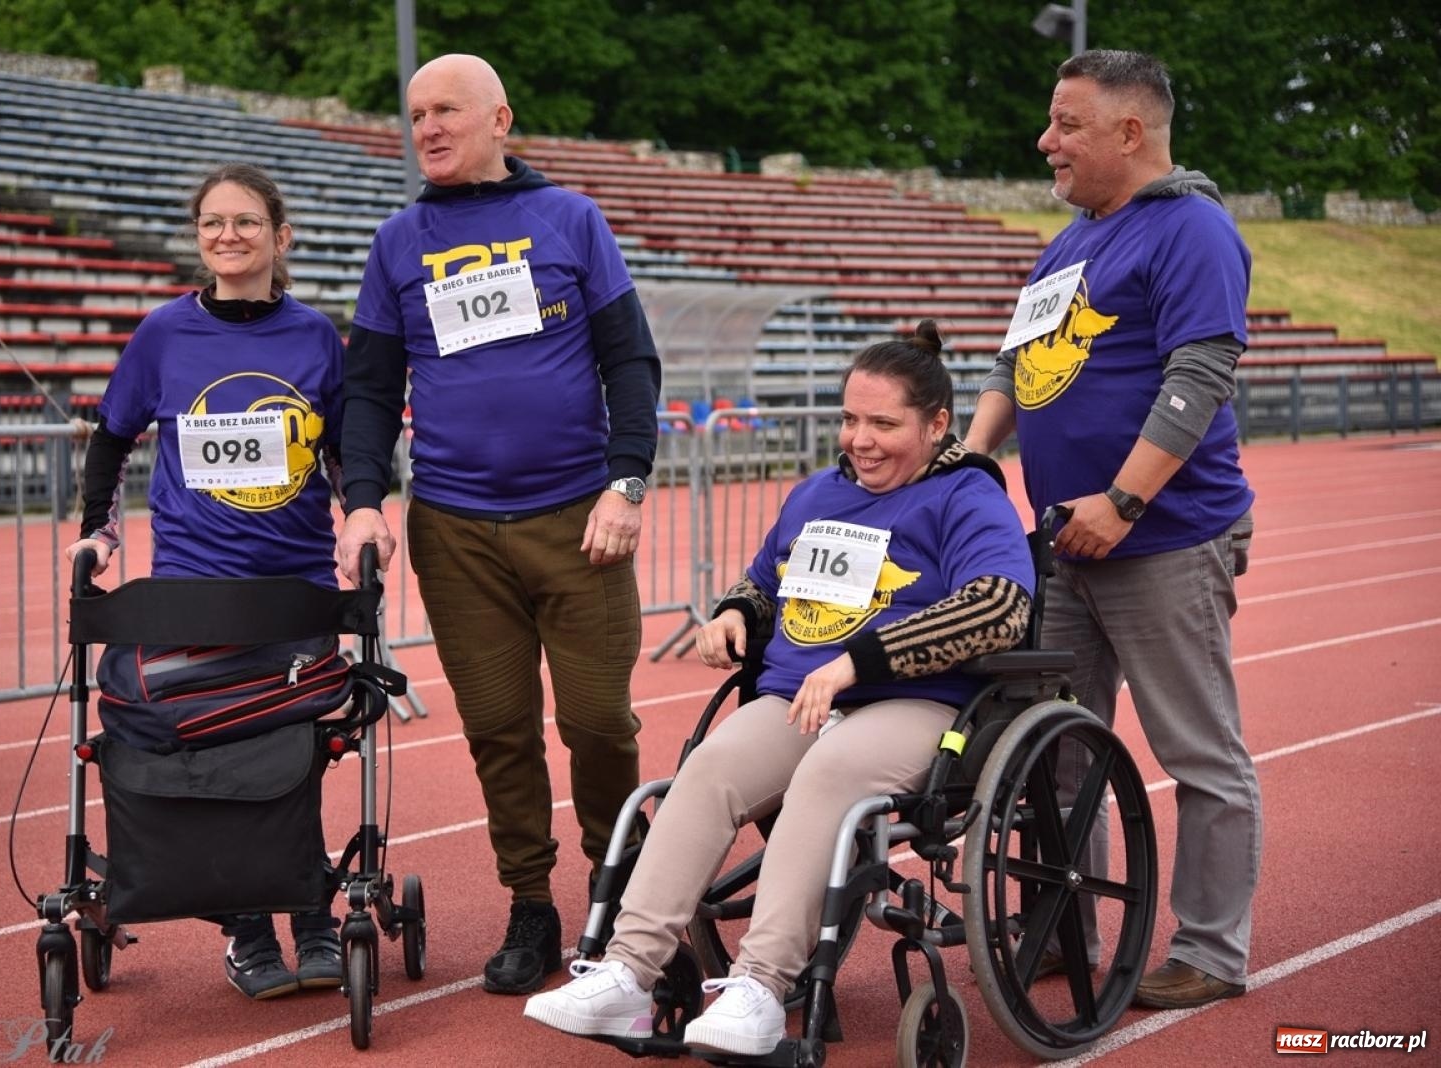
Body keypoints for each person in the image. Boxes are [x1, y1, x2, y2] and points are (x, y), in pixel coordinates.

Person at [524, 327, 1036, 1057]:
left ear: (937, 425)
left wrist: (862, 659)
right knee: (709, 767)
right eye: (850, 420)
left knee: (827, 775)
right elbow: (765, 582)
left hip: (916, 703)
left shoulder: (966, 495)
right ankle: (625, 973)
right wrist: (734, 611)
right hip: (802, 698)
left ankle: (760, 988)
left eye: (884, 425)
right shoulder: (817, 494)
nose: (860, 440)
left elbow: (999, 607)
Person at [334, 54, 661, 994]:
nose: (427, 127)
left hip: (578, 519)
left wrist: (626, 484)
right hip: (456, 531)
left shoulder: (570, 219)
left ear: (500, 119)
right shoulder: (398, 241)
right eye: (415, 114)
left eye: (446, 111)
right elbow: (369, 390)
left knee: (599, 720)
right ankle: (531, 901)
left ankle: (618, 878)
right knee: (499, 731)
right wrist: (365, 501)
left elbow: (629, 362)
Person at [962, 49, 1263, 1010]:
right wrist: (969, 461)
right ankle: (1063, 924)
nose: (1046, 141)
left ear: (1130, 132)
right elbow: (1016, 366)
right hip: (1061, 544)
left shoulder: (1193, 230)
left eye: (1068, 124)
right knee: (1053, 751)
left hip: (1161, 541)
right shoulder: (1069, 241)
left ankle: (1213, 951)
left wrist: (1123, 500)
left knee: (1199, 755)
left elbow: (1199, 377)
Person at [64, 163, 346, 1001]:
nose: (229, 236)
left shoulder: (317, 338)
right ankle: (250, 928)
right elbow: (112, 439)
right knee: (220, 748)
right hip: (193, 589)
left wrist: (367, 512)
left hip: (296, 585)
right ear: (199, 238)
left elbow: (343, 454)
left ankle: (316, 916)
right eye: (213, 223)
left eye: (247, 222)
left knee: (292, 751)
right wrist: (98, 532)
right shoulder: (162, 335)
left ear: (280, 237)